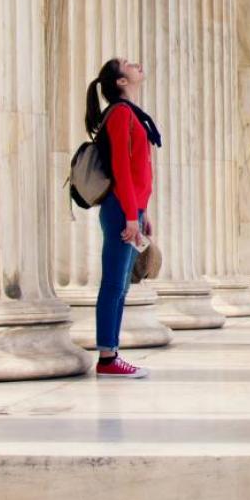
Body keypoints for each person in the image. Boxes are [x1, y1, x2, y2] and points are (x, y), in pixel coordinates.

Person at [84, 58, 162, 378]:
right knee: (114, 284)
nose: (137, 63)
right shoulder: (119, 114)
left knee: (121, 286)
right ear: (120, 81)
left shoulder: (130, 114)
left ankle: (111, 353)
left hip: (130, 209)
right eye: (128, 64)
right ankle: (107, 357)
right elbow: (120, 169)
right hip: (120, 209)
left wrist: (142, 213)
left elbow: (137, 169)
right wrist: (131, 214)